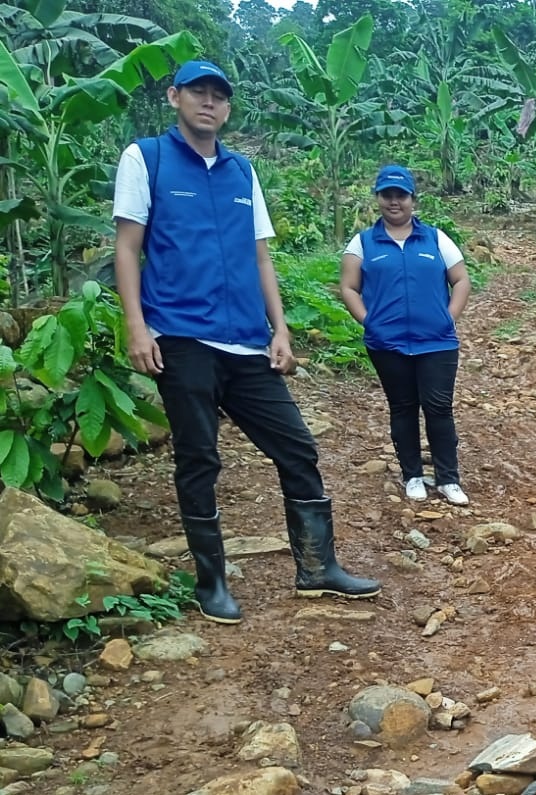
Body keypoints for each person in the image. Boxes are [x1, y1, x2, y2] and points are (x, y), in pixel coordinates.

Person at [113, 60, 381, 625]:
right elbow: (128, 247)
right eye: (198, 92)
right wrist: (136, 326)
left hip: (247, 341)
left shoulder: (242, 172)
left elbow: (261, 257)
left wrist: (279, 328)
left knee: (297, 447)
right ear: (175, 97)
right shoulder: (147, 158)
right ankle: (211, 582)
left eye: (219, 95)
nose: (208, 102)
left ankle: (317, 567)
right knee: (199, 457)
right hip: (181, 334)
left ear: (228, 107)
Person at [339, 165, 472, 506]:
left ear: (413, 199)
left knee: (438, 407)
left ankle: (448, 478)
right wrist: (369, 322)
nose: (394, 201)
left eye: (401, 195)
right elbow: (349, 287)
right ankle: (412, 475)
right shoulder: (363, 242)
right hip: (387, 344)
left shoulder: (436, 239)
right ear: (378, 198)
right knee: (402, 407)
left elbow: (460, 279)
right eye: (387, 195)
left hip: (437, 342)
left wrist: (448, 317)